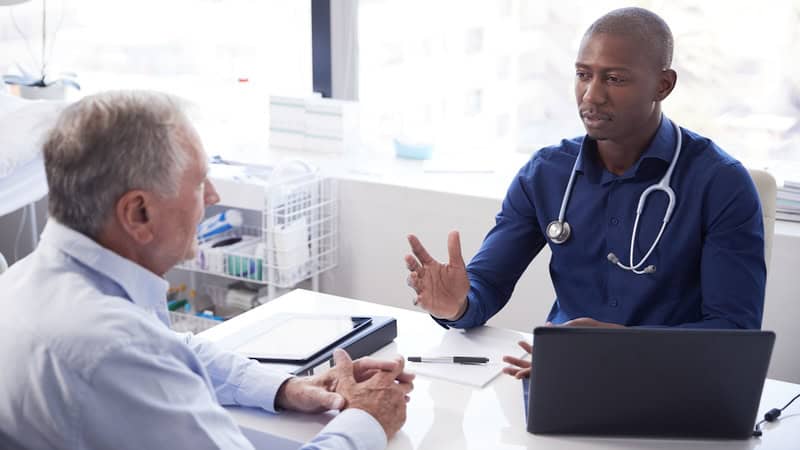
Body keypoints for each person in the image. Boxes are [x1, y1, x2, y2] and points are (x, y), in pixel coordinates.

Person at [0, 90, 413, 450]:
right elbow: (148, 355)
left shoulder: (26, 280)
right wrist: (368, 420)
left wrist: (287, 388)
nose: (213, 197)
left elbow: (172, 348)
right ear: (138, 212)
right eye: (199, 183)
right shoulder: (115, 349)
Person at [404, 7, 766, 378]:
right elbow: (486, 285)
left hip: (674, 379)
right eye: (583, 75)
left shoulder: (721, 183)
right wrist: (456, 306)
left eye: (614, 78)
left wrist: (624, 347)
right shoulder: (546, 174)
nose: (591, 96)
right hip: (566, 374)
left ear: (663, 85)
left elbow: (734, 331)